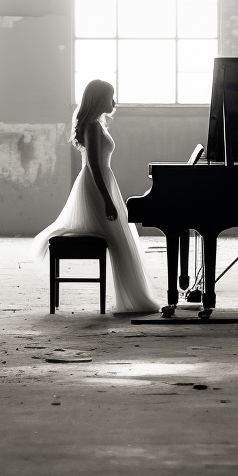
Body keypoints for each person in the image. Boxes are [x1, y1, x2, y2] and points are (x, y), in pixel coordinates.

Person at [33, 79, 159, 314]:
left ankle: (133, 298)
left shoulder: (96, 125)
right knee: (121, 242)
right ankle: (133, 299)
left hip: (102, 183)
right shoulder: (92, 126)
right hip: (96, 185)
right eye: (110, 96)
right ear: (99, 98)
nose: (114, 102)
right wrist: (107, 201)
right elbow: (93, 165)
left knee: (123, 241)